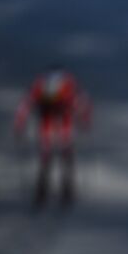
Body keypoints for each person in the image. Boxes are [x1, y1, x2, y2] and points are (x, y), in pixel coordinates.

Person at [14, 64, 91, 209]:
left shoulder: (41, 83)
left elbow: (25, 104)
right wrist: (84, 121)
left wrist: (20, 124)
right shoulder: (67, 83)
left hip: (47, 124)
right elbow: (81, 102)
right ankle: (65, 191)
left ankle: (43, 192)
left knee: (47, 158)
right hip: (63, 124)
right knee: (65, 156)